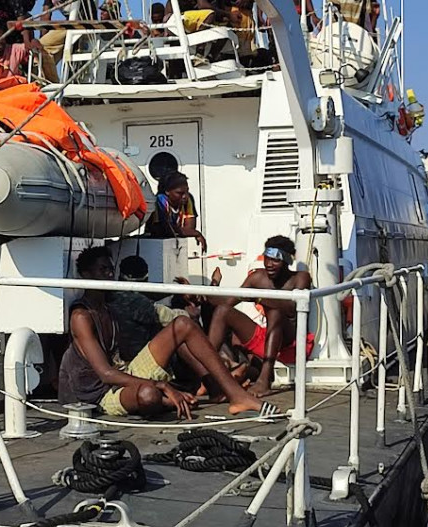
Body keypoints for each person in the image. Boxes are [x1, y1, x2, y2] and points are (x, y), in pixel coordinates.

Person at [58, 246, 279, 419]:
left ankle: (235, 395)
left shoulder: (109, 303)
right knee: (148, 395)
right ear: (85, 274)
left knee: (183, 323)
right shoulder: (81, 316)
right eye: (102, 270)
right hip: (100, 395)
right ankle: (170, 399)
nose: (108, 275)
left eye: (110, 269)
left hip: (122, 372)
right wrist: (163, 386)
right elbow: (105, 373)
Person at [207, 236, 312, 395]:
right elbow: (228, 302)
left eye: (275, 261)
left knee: (276, 312)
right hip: (266, 337)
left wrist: (260, 298)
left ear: (287, 261)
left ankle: (264, 380)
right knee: (223, 311)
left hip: (291, 342)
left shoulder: (301, 278)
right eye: (267, 259)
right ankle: (206, 375)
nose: (269, 264)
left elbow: (291, 309)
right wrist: (212, 286)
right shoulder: (257, 277)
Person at [145, 171, 206, 250]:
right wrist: (196, 233)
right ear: (167, 191)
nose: (185, 196)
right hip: (155, 245)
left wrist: (189, 232)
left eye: (187, 191)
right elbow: (163, 230)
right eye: (179, 193)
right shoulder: (160, 201)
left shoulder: (188, 200)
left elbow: (190, 228)